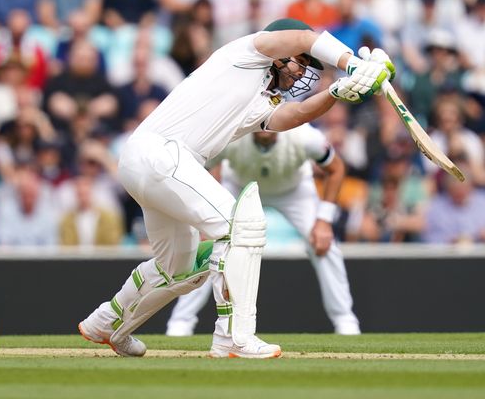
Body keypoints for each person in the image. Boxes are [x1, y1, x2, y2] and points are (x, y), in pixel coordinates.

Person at [77, 18, 394, 359]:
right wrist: (353, 63)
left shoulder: (262, 99)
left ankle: (106, 322)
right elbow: (305, 36)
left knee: (178, 268)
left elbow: (295, 115)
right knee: (240, 226)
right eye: (300, 63)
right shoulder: (249, 51)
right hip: (163, 154)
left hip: (150, 161)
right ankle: (234, 337)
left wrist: (335, 92)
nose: (303, 74)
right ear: (280, 52)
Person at [165, 125, 361, 337]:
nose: (266, 125)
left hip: (294, 192)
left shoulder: (306, 137)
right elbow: (197, 169)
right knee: (212, 248)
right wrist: (203, 215)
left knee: (325, 246)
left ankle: (345, 322)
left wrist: (324, 220)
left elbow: (336, 168)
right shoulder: (230, 135)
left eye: (271, 120)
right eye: (262, 120)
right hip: (239, 187)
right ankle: (180, 323)